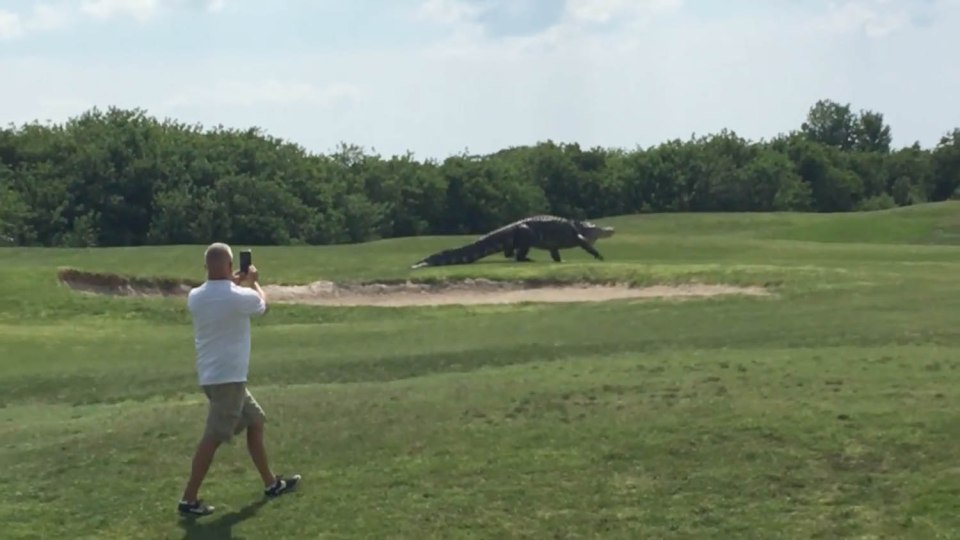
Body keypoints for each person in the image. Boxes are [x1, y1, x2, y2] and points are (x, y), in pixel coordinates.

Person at [177, 242, 300, 517]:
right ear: (231, 266)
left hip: (212, 376)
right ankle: (188, 499)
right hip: (228, 378)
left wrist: (235, 281)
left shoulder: (196, 296)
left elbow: (219, 291)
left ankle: (271, 483)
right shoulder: (239, 296)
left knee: (256, 420)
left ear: (205, 267)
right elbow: (263, 306)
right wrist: (254, 282)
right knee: (213, 437)